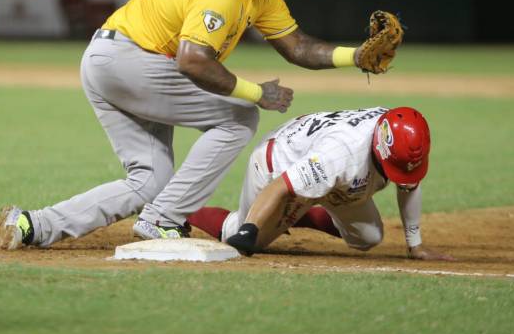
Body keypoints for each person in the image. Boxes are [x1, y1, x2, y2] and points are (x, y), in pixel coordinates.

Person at [0, 0, 399, 250]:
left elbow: (297, 48)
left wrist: (357, 55)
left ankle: (32, 225)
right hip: (130, 60)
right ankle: (163, 219)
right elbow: (192, 62)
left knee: (150, 182)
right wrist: (256, 92)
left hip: (113, 60)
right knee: (239, 115)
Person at [189, 106, 455, 261]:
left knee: (368, 237)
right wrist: (249, 230)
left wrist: (415, 243)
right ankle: (181, 210)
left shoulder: (400, 131)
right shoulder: (340, 155)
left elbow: (409, 184)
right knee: (243, 236)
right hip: (278, 163)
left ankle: (302, 212)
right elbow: (280, 186)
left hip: (321, 166)